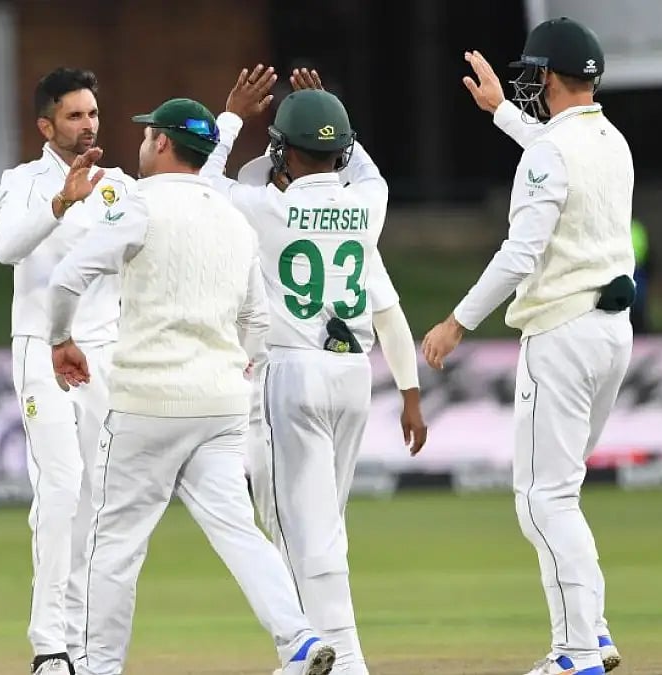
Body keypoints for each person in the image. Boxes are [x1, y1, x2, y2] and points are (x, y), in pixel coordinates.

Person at [48, 97, 337, 675]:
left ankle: (99, 667)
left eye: (146, 134)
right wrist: (242, 365)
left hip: (146, 403)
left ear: (160, 143)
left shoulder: (138, 206)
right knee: (238, 530)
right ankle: (298, 638)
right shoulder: (232, 216)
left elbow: (67, 276)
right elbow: (258, 320)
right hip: (222, 403)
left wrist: (61, 340)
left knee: (115, 544)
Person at [200, 67, 428, 675]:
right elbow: (369, 171)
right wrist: (330, 105)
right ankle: (322, 651)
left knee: (298, 528)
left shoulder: (264, 210)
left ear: (280, 150)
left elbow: (201, 185)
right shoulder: (367, 207)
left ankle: (338, 656)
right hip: (355, 376)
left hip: (291, 371)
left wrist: (230, 116)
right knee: (324, 524)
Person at [423, 18, 634, 675]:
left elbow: (521, 252)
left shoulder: (552, 150)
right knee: (558, 493)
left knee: (543, 499)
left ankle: (577, 652)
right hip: (612, 334)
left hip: (563, 333)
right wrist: (503, 113)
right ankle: (590, 633)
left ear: (546, 76)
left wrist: (457, 321)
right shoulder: (611, 139)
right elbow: (553, 152)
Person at [0, 66, 136, 674]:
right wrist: (58, 203)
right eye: (74, 116)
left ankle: (78, 643)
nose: (88, 125)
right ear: (46, 124)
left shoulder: (121, 184)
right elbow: (4, 248)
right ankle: (48, 645)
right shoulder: (22, 182)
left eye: (93, 115)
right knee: (60, 487)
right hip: (39, 352)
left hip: (105, 354)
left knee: (94, 500)